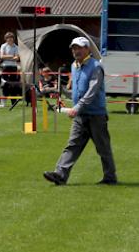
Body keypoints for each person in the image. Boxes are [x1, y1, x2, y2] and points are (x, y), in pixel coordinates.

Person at [43, 37, 117, 186]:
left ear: (87, 49)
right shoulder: (74, 66)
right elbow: (78, 92)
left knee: (103, 148)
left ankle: (110, 177)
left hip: (96, 115)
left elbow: (92, 92)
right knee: (72, 145)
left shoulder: (96, 67)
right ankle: (60, 175)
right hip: (81, 115)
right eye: (74, 48)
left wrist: (76, 108)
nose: (76, 51)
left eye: (79, 48)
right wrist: (63, 91)